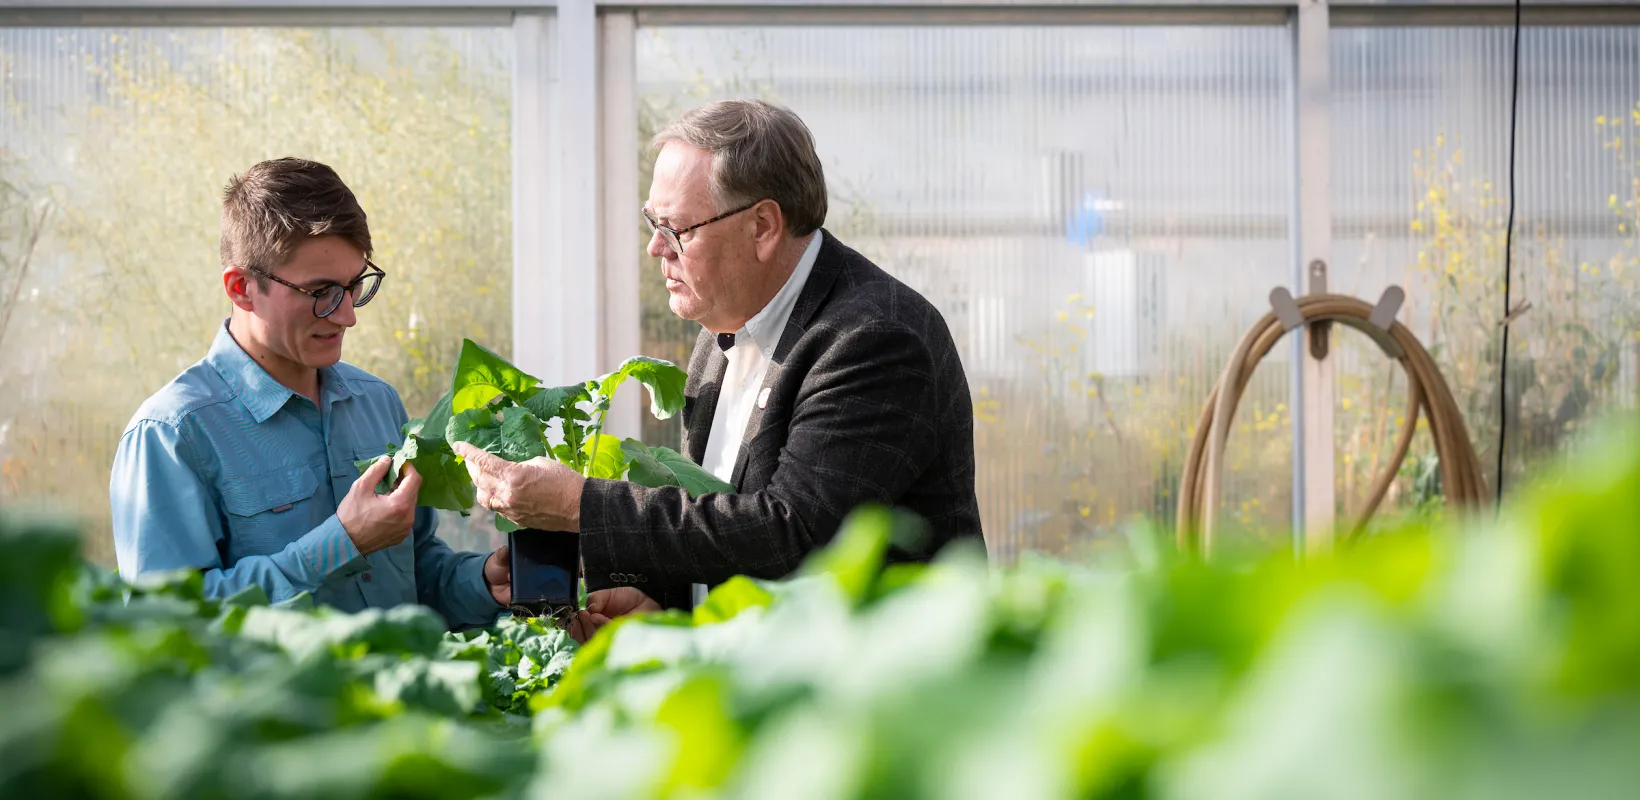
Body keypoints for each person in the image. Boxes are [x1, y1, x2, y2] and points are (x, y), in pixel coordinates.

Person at [455, 100, 984, 637]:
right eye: (651, 221)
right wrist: (666, 609)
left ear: (762, 226)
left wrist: (580, 505)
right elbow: (724, 527)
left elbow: (796, 536)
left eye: (676, 227)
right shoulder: (720, 335)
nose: (655, 247)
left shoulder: (872, 337)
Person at [110, 157, 509, 629]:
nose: (347, 317)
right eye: (321, 292)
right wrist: (339, 544)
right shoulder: (171, 434)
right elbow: (163, 628)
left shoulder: (377, 402)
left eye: (354, 285)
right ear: (241, 287)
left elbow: (417, 574)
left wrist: (483, 581)